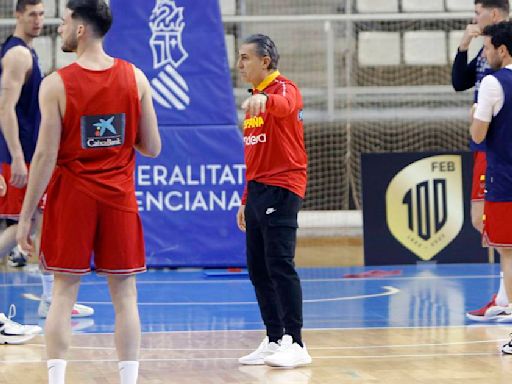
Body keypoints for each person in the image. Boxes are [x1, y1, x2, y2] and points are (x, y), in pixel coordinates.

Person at [17, 0, 160, 382]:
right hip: (118, 197)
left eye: (63, 22)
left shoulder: (56, 84)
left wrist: (26, 215)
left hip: (73, 198)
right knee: (125, 296)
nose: (59, 28)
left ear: (80, 28)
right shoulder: (137, 78)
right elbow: (152, 146)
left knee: (63, 294)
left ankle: (57, 380)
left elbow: (45, 156)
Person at [0, 0, 94, 321]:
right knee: (21, 226)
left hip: (27, 155)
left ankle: (49, 299)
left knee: (39, 225)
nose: (39, 20)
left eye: (42, 14)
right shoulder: (18, 55)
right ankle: (49, 299)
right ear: (17, 15)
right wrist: (15, 157)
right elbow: (4, 107)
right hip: (20, 157)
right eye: (32, 15)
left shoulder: (27, 51)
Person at [235, 34, 311, 368]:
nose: (239, 65)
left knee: (280, 264)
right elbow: (255, 154)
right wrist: (245, 198)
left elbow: (288, 105)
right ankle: (275, 336)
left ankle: (296, 342)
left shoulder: (283, 89)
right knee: (258, 268)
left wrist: (266, 102)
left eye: (245, 58)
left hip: (283, 187)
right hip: (258, 190)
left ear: (264, 61)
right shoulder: (255, 98)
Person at [452, 0, 511, 322]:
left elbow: (478, 129)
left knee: (495, 228)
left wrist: (478, 117)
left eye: (478, 12)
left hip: (496, 145)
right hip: (491, 144)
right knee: (483, 220)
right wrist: (463, 45)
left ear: (495, 13)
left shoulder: (498, 66)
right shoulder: (486, 50)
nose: (474, 18)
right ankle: (504, 297)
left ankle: (505, 299)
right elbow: (459, 81)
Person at [470, 20, 512, 352]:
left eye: (486, 49)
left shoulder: (493, 84)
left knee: (509, 255)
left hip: (506, 183)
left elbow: (478, 135)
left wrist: (475, 115)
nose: (484, 55)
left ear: (502, 50)